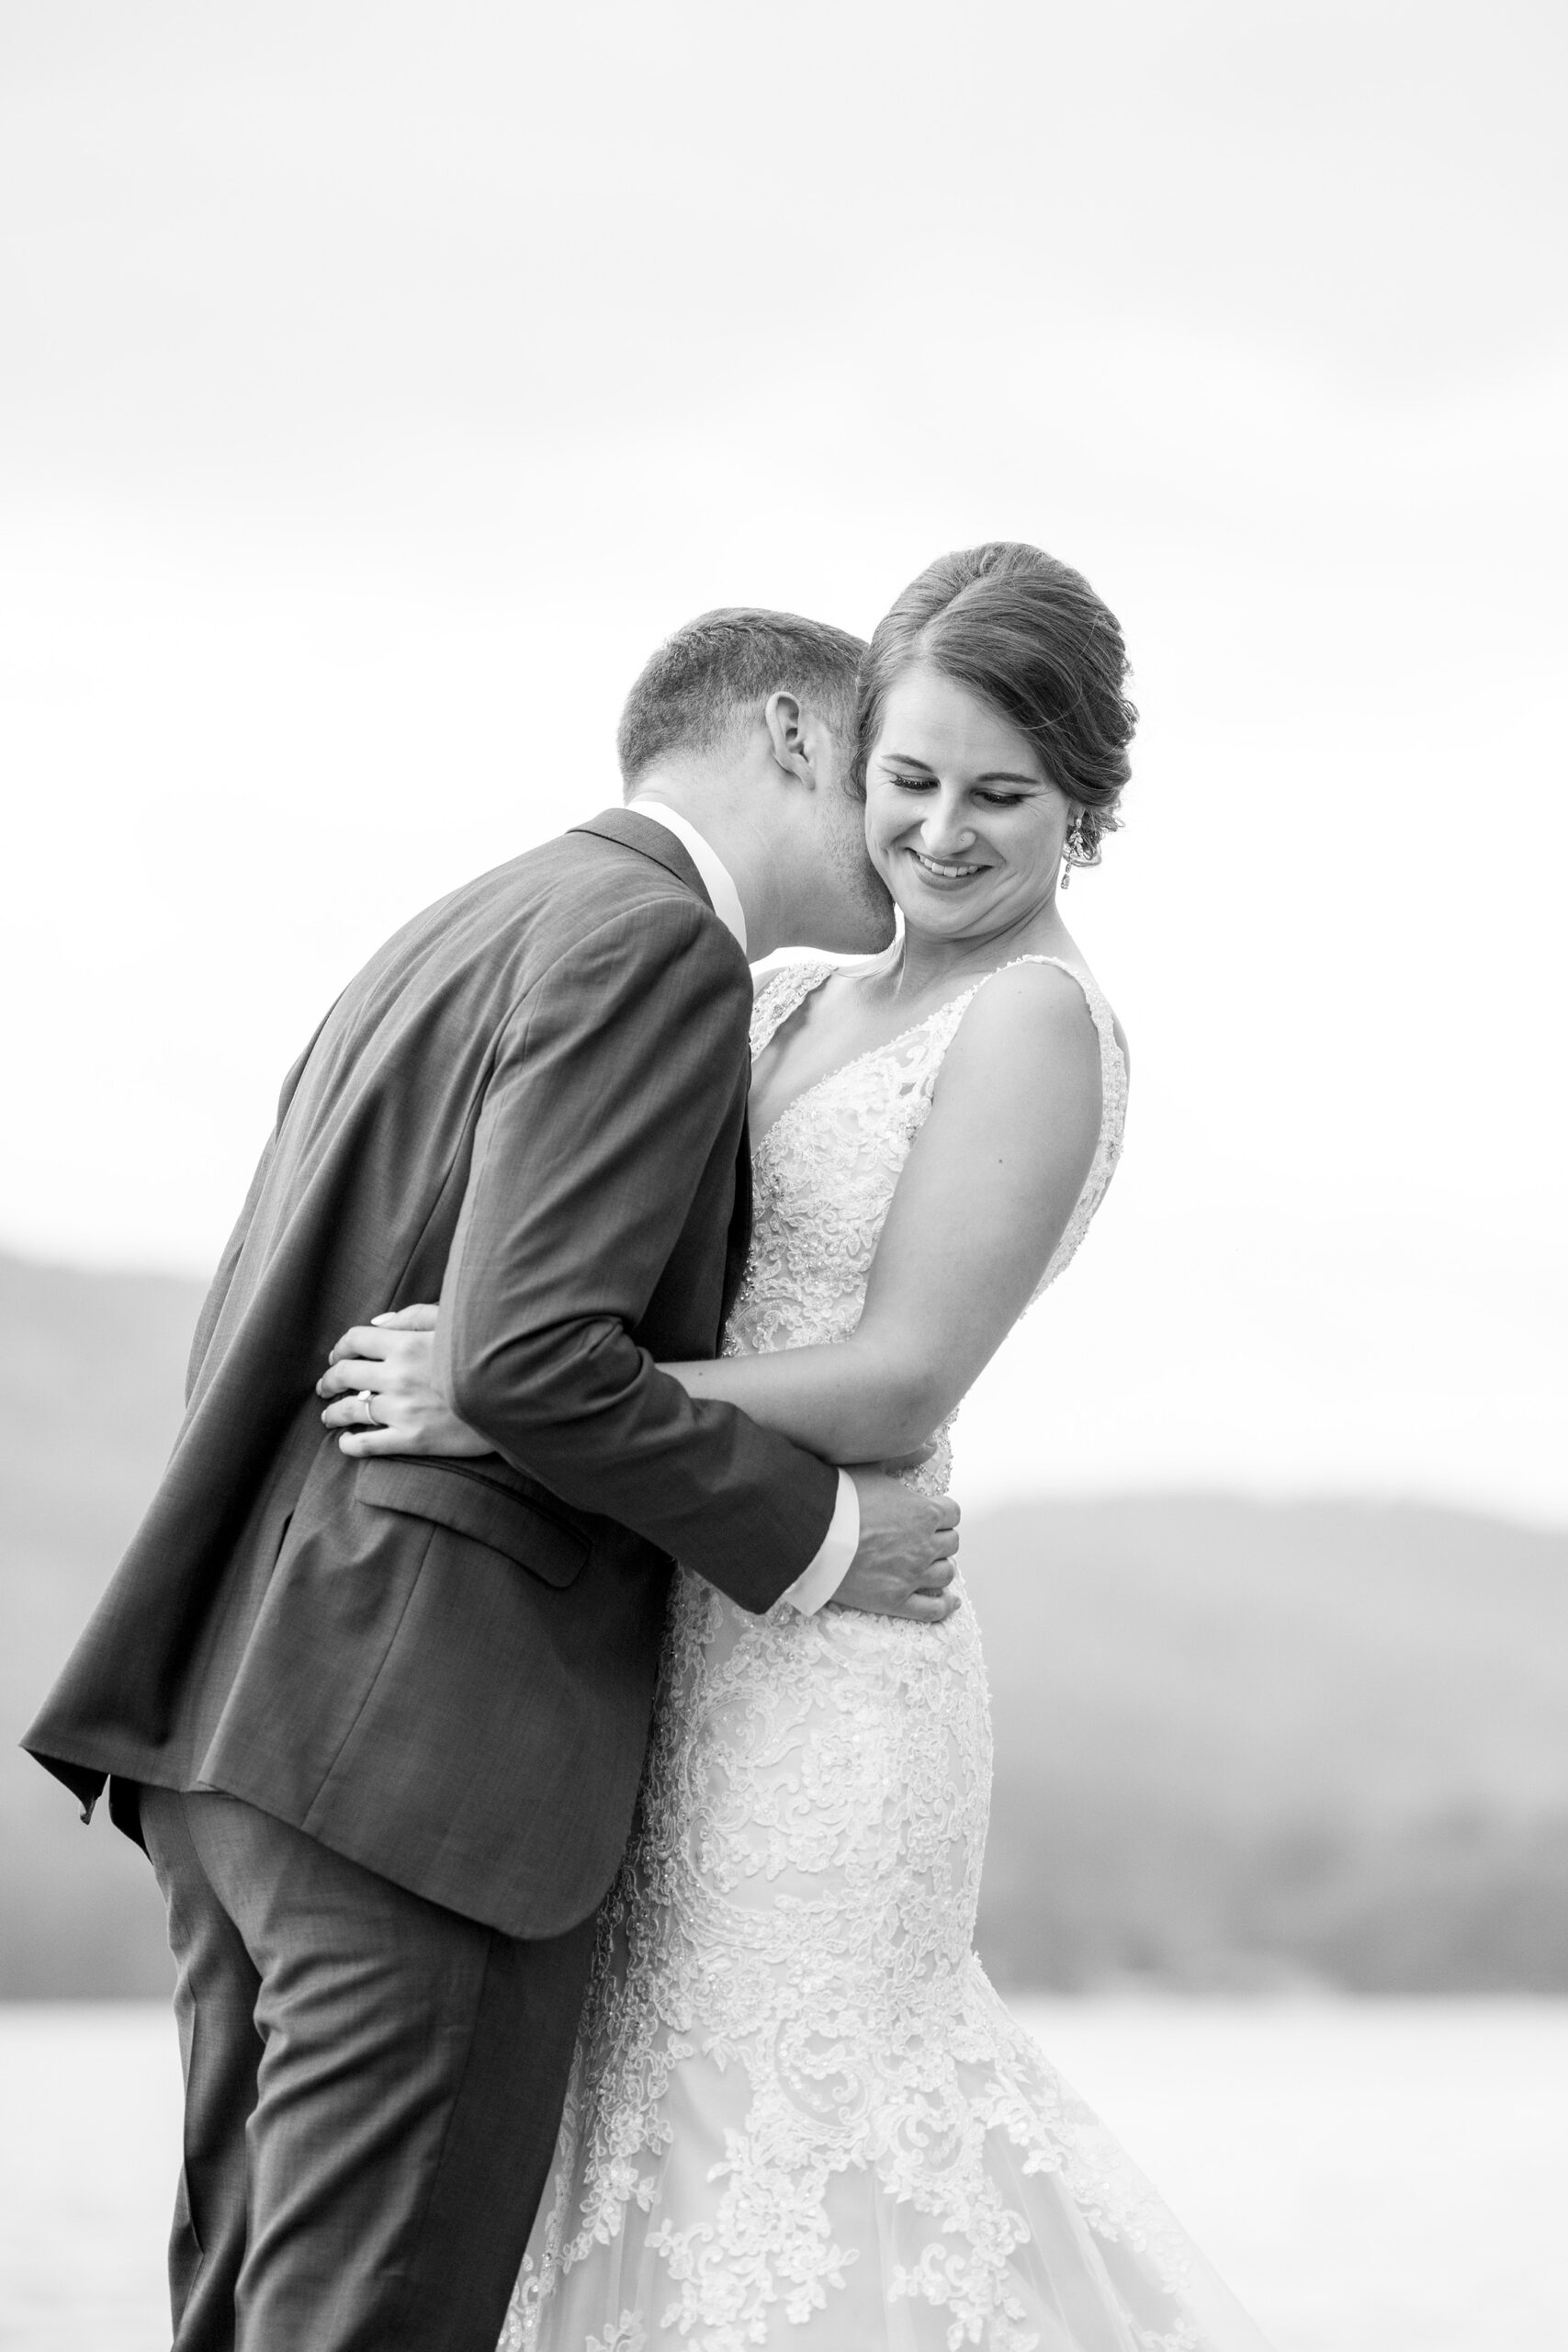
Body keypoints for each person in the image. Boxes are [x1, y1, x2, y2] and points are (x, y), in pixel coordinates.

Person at [319, 543, 1275, 2349]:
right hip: (669, 1633)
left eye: (999, 794)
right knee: (641, 2150)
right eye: (903, 779)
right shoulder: (782, 992)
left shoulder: (1035, 1021)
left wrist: (503, 1385)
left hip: (834, 1690)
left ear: (1088, 795)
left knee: (785, 2142)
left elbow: (896, 1375)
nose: (937, 833)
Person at [21, 607, 963, 2352]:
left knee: (249, 2315)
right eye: (889, 771)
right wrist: (822, 1534)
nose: (917, 838)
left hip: (252, 1721)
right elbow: (527, 1358)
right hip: (423, 1759)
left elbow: (279, 1315)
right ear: (786, 731)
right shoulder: (658, 946)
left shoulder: (446, 930)